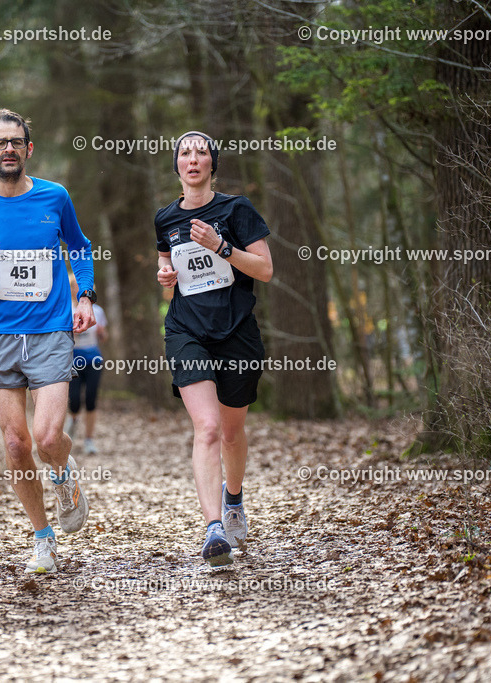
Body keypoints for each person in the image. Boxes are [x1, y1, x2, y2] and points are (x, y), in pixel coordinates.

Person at [0, 109, 97, 574]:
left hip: (50, 331)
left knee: (48, 437)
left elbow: (81, 247)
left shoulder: (55, 196)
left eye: (17, 141)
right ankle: (43, 539)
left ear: (28, 149)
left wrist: (84, 295)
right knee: (15, 445)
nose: (9, 148)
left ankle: (65, 475)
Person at [155, 131, 273, 567]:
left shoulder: (236, 209)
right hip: (186, 329)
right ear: (176, 165)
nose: (193, 158)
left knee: (230, 430)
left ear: (212, 164)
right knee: (205, 428)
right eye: (184, 152)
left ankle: (234, 498)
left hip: (236, 330)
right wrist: (165, 274)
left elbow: (264, 269)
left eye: (201, 152)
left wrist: (221, 247)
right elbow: (167, 263)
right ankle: (213, 529)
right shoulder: (165, 218)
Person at [66, 274, 107, 454]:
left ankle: (89, 440)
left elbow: (104, 337)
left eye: (79, 286)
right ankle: (73, 422)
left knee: (91, 399)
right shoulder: (66, 310)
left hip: (94, 359)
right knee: (74, 401)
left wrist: (100, 332)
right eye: (73, 286)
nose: (77, 289)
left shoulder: (97, 311)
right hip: (73, 360)